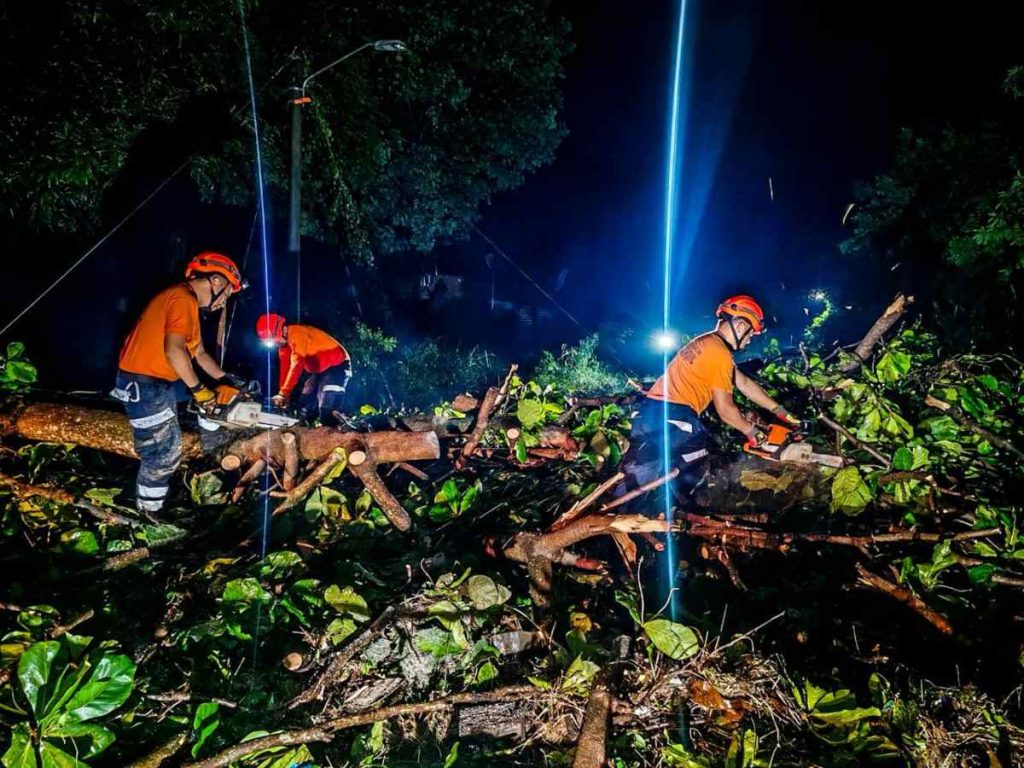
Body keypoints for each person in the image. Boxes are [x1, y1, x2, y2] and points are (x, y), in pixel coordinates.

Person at [623, 295, 802, 500]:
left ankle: (635, 514)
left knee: (638, 477)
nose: (750, 339)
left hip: (650, 412)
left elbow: (743, 383)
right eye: (751, 333)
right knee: (695, 464)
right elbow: (725, 409)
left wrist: (780, 412)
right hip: (675, 416)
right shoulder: (719, 354)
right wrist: (754, 434)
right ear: (741, 325)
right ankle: (686, 513)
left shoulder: (708, 343)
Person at [112, 252, 248, 517]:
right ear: (217, 282)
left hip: (158, 382)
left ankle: (212, 449)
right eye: (227, 296)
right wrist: (200, 391)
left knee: (210, 406)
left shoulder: (186, 304)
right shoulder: (181, 298)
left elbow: (199, 355)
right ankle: (145, 513)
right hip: (145, 384)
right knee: (163, 452)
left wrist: (226, 380)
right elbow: (174, 351)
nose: (223, 304)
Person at [255, 313, 352, 425]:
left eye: (276, 341)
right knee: (304, 408)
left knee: (327, 410)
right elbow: (285, 370)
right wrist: (284, 397)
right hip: (320, 371)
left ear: (281, 331)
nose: (276, 344)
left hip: (337, 364)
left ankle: (340, 434)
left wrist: (284, 393)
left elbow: (297, 365)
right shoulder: (284, 347)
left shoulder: (297, 334)